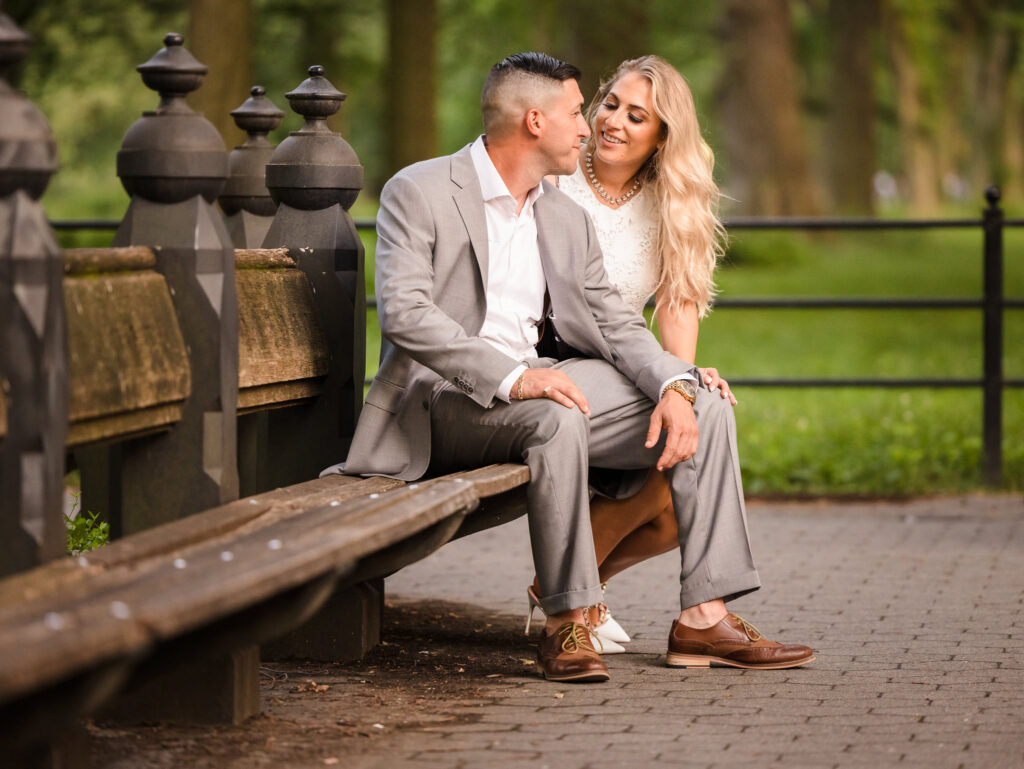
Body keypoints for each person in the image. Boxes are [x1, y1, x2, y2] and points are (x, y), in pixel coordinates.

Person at [333, 52, 813, 682]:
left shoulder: (563, 215)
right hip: (440, 404)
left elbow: (614, 322)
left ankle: (703, 619)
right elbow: (406, 316)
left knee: (707, 401)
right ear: (535, 122)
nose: (590, 126)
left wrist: (676, 381)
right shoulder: (419, 190)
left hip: (540, 390)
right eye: (578, 112)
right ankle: (567, 622)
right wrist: (516, 377)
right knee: (553, 419)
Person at [529, 55, 737, 653]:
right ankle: (574, 595)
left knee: (688, 447)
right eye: (610, 104)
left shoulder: (673, 205)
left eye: (636, 115)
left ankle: (571, 587)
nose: (613, 121)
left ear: (662, 135)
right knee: (677, 459)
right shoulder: (556, 175)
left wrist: (685, 376)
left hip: (624, 365)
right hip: (547, 364)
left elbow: (677, 303)